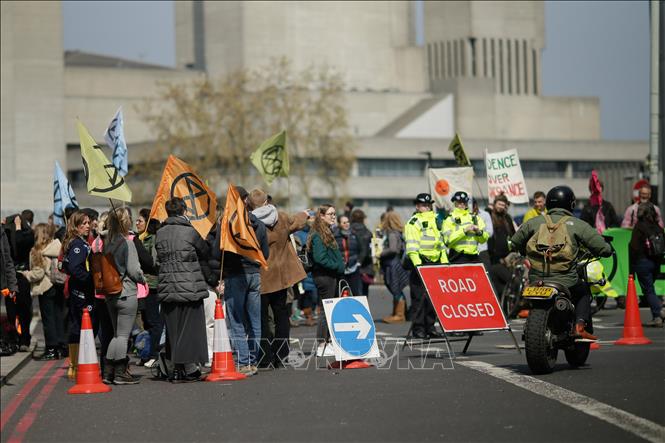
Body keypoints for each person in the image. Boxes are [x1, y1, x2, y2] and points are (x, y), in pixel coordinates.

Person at [511, 186, 612, 340]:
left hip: (536, 279)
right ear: (570, 204)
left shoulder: (533, 222)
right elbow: (603, 249)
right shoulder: (578, 224)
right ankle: (579, 326)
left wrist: (524, 252)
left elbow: (514, 243)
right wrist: (607, 249)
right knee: (584, 290)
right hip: (566, 280)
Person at [248, 188, 307, 369]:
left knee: (263, 319)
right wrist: (304, 214)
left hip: (262, 276)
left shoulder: (249, 222)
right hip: (281, 275)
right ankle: (281, 355)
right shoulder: (280, 217)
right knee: (282, 316)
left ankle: (265, 357)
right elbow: (297, 223)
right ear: (267, 201)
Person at [215, 186, 270, 376]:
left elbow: (217, 253)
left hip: (235, 274)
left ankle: (243, 362)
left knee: (236, 320)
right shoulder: (259, 225)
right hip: (254, 274)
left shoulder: (227, 224)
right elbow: (265, 253)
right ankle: (253, 361)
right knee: (255, 321)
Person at [155, 197, 210, 383]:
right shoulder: (190, 232)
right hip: (189, 286)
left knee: (173, 331)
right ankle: (187, 369)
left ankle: (177, 370)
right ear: (184, 211)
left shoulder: (160, 233)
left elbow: (157, 259)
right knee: (189, 331)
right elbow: (205, 251)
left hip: (168, 287)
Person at [102, 208, 145, 384]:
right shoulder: (127, 243)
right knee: (123, 335)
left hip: (110, 294)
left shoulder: (107, 242)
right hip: (126, 292)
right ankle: (120, 373)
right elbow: (134, 270)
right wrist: (142, 279)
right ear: (124, 223)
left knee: (116, 334)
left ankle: (108, 372)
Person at [404, 193, 448, 339]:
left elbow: (441, 244)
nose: (427, 207)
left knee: (433, 298)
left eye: (429, 205)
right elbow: (412, 247)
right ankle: (419, 329)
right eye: (424, 205)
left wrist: (444, 263)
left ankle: (430, 327)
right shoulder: (413, 222)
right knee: (419, 299)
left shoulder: (436, 221)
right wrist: (419, 266)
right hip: (421, 264)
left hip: (435, 264)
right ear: (417, 206)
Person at [21, 224, 64, 360]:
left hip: (45, 287)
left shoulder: (37, 250)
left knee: (48, 319)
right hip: (58, 285)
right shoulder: (57, 247)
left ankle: (51, 348)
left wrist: (26, 274)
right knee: (58, 317)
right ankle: (60, 347)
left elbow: (38, 273)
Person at [61, 210, 95, 379]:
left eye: (89, 223)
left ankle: (76, 365)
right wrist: (90, 280)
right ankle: (74, 366)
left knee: (80, 327)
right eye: (84, 223)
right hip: (81, 292)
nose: (88, 226)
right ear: (76, 226)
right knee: (79, 327)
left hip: (79, 290)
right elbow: (74, 268)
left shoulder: (80, 242)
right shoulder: (78, 245)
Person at [307, 204, 345, 356]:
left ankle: (328, 342)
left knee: (329, 310)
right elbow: (319, 258)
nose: (333, 216)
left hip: (329, 275)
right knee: (326, 310)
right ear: (321, 216)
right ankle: (322, 344)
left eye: (334, 214)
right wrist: (337, 266)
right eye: (330, 214)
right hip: (324, 276)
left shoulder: (326, 231)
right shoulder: (317, 234)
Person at [629, 202, 665, 327]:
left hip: (642, 262)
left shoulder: (639, 227)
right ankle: (657, 315)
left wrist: (632, 267)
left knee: (648, 290)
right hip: (656, 263)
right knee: (651, 289)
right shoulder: (658, 227)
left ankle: (658, 313)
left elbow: (633, 247)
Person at [3, 213, 35, 352]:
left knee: (24, 310)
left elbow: (21, 244)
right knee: (11, 311)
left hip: (23, 277)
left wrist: (17, 228)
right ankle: (14, 338)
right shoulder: (6, 234)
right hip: (10, 278)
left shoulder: (27, 235)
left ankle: (23, 338)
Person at [136, 209, 163, 367]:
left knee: (154, 321)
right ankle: (146, 353)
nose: (137, 223)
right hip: (141, 285)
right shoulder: (139, 238)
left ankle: (154, 354)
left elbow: (153, 262)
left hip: (152, 285)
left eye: (140, 221)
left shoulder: (152, 239)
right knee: (145, 322)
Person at [379, 211, 409, 324]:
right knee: (397, 289)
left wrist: (380, 253)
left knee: (395, 288)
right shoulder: (398, 232)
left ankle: (399, 315)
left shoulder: (392, 234)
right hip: (397, 263)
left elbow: (393, 249)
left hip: (392, 264)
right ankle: (398, 313)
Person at [442, 191, 489, 264]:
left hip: (474, 257)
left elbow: (483, 240)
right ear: (455, 203)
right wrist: (464, 231)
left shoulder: (475, 218)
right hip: (457, 257)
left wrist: (479, 232)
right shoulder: (449, 219)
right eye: (460, 202)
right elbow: (447, 242)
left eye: (464, 202)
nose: (462, 204)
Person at [334, 215, 362, 297]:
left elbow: (362, 249)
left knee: (355, 292)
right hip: (340, 269)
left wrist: (359, 261)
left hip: (353, 268)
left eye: (348, 222)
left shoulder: (355, 234)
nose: (347, 224)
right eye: (344, 222)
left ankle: (355, 309)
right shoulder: (335, 236)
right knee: (340, 293)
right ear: (339, 224)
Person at [350, 209, 374, 295]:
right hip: (366, 268)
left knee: (350, 292)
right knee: (364, 293)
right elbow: (371, 251)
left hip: (350, 266)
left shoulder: (348, 232)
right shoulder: (368, 233)